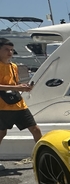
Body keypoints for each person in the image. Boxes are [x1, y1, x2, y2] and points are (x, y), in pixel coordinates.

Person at [0, 38, 41, 171]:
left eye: (11, 50)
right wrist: (18, 88)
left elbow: (14, 85)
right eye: (6, 49)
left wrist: (23, 87)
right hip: (2, 106)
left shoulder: (14, 66)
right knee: (1, 134)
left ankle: (41, 157)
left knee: (36, 130)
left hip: (18, 104)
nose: (10, 52)